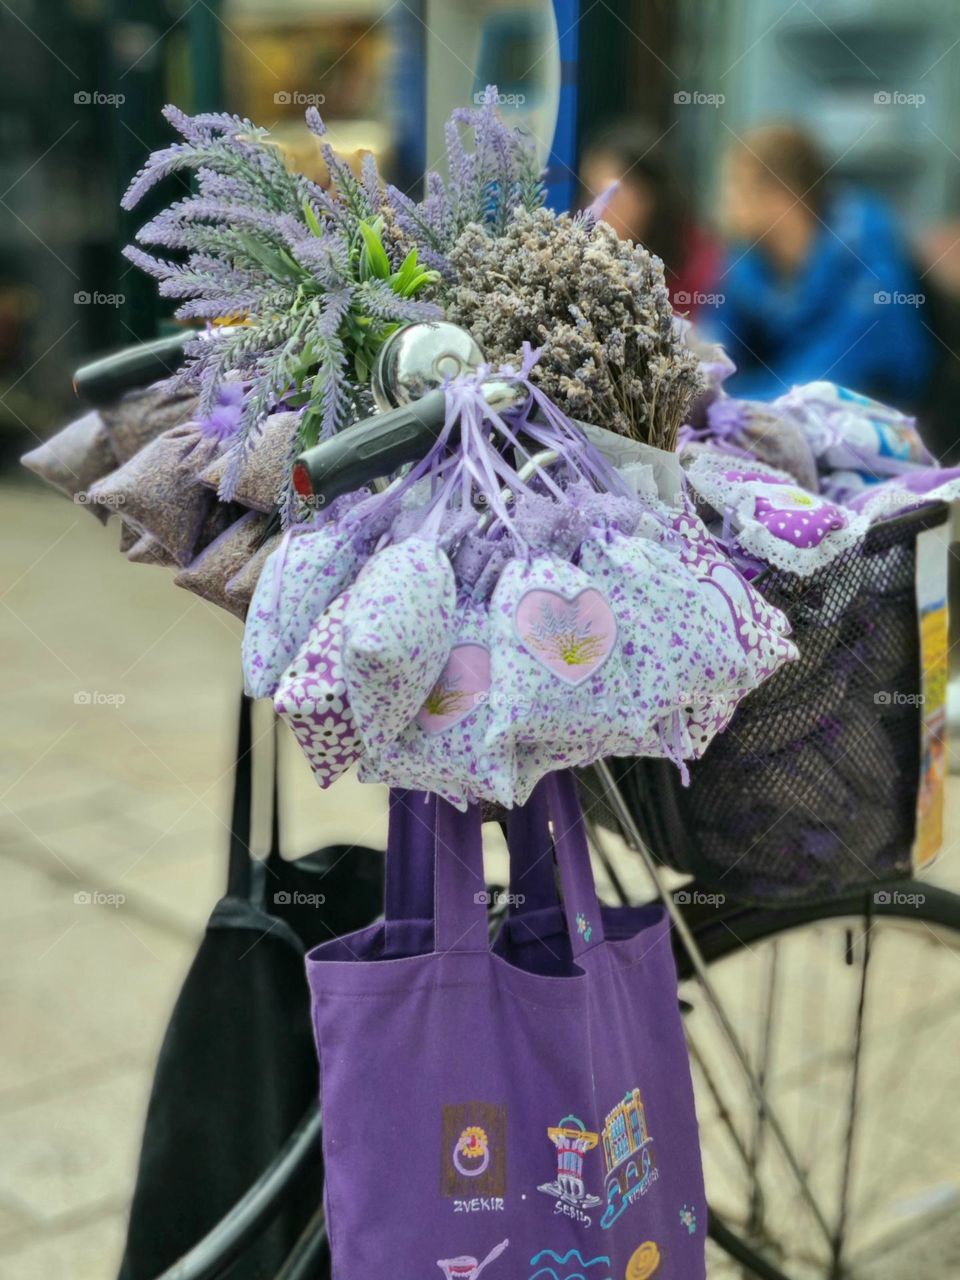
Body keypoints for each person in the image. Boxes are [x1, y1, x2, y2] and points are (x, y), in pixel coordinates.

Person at [713, 123, 932, 407]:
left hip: (878, 411)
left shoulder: (863, 249)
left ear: (782, 195)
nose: (726, 201)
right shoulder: (750, 260)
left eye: (737, 187)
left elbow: (833, 371)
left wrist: (732, 403)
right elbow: (716, 340)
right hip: (787, 400)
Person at [580, 122, 721, 318]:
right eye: (591, 193)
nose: (598, 209)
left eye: (610, 196)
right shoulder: (583, 255)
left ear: (650, 196)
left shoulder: (701, 264)